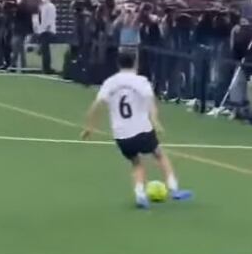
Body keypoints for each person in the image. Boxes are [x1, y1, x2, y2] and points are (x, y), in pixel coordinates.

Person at [81, 51, 192, 209]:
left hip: (121, 135)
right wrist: (155, 120)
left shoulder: (110, 82)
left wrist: (89, 128)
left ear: (118, 64)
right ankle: (174, 188)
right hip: (142, 130)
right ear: (135, 63)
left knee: (136, 162)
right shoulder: (140, 81)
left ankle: (140, 194)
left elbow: (96, 105)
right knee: (159, 155)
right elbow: (150, 102)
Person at [38, 0, 56, 74]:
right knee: (44, 50)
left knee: (45, 50)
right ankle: (45, 67)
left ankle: (47, 68)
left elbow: (50, 18)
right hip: (42, 30)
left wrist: (47, 28)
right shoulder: (42, 7)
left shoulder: (50, 6)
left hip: (47, 31)